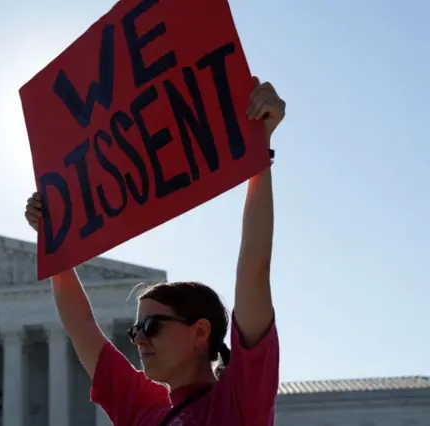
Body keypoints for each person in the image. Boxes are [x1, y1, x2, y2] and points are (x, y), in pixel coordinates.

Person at [24, 76, 285, 425]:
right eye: (136, 330)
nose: (139, 340)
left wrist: (258, 151)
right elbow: (81, 325)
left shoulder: (238, 400)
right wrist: (52, 240)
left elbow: (254, 271)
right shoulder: (142, 409)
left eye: (151, 326)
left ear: (200, 332)